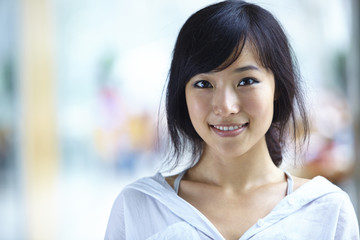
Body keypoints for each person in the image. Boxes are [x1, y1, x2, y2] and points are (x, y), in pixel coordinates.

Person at [105, 1, 360, 239]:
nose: (226, 107)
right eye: (203, 83)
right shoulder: (140, 208)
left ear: (278, 87)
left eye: (246, 81)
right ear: (182, 93)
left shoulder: (327, 210)